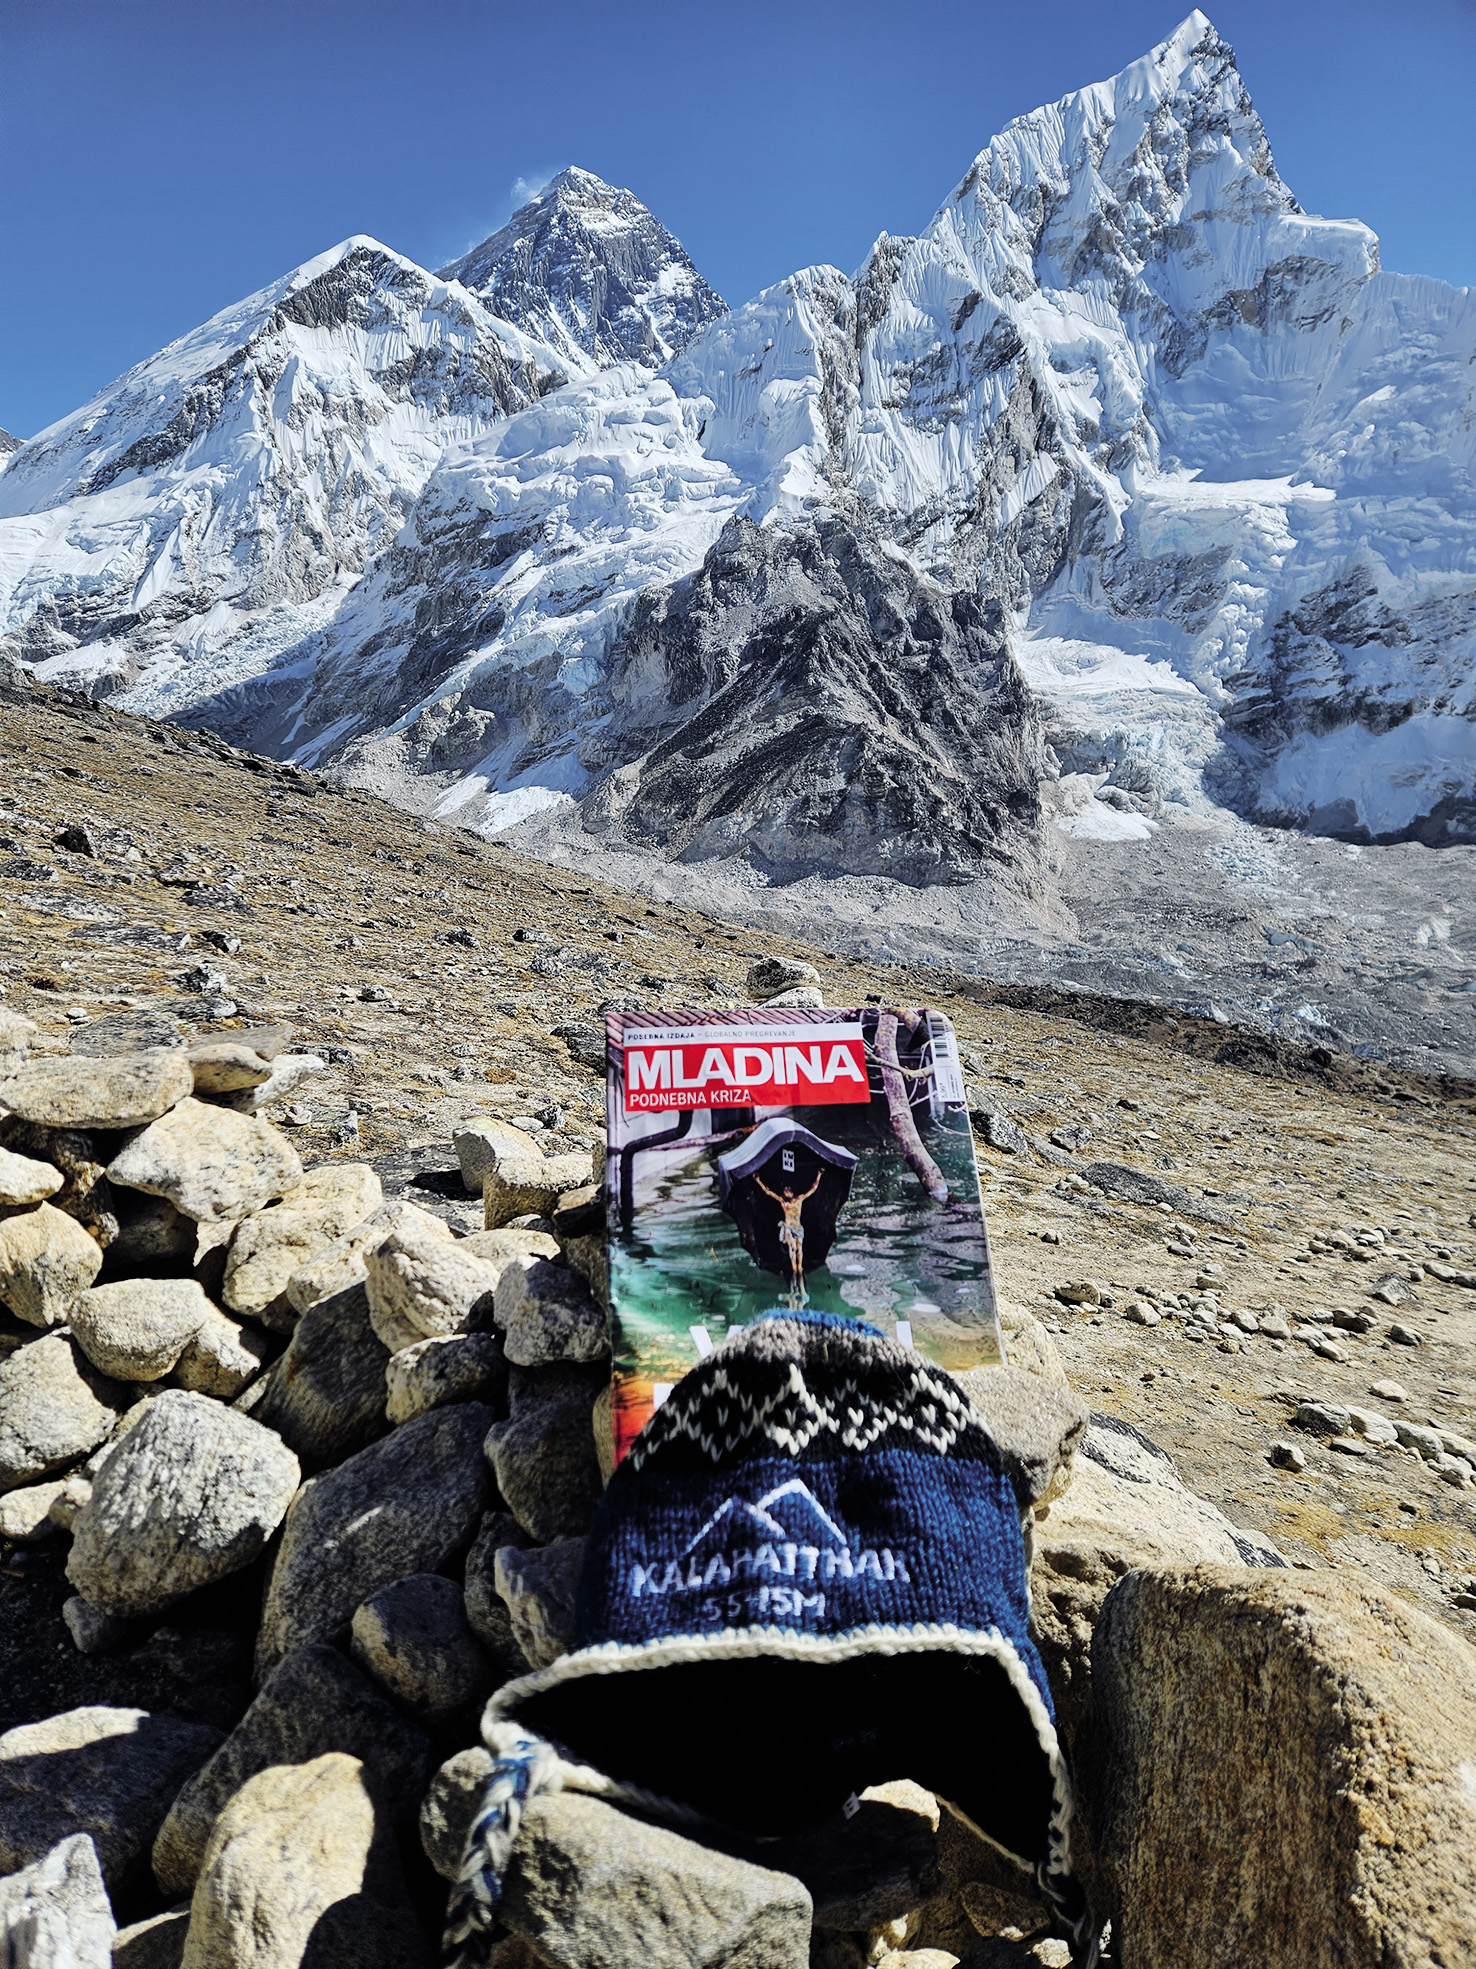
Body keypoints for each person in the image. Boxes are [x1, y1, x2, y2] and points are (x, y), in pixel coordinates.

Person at [753, 1168, 823, 1289]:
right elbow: (768, 1192)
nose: (786, 1192)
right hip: (789, 1227)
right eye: (785, 1190)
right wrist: (758, 1180)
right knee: (793, 1247)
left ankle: (799, 1267)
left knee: (799, 1248)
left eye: (788, 1190)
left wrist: (819, 1175)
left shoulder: (799, 1199)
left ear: (792, 1192)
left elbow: (813, 1189)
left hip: (798, 1227)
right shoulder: (783, 1201)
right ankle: (794, 1268)